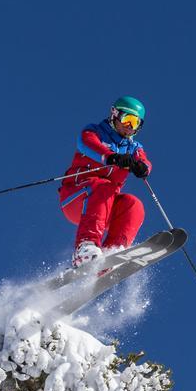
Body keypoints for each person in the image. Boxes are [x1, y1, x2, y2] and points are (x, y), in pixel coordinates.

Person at [59, 96, 152, 267]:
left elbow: (144, 161)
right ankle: (85, 248)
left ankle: (112, 254)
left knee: (133, 205)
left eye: (135, 122)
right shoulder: (95, 131)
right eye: (127, 119)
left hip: (103, 207)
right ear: (114, 114)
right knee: (103, 186)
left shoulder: (134, 148)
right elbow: (86, 143)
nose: (129, 126)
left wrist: (142, 167)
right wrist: (111, 157)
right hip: (77, 198)